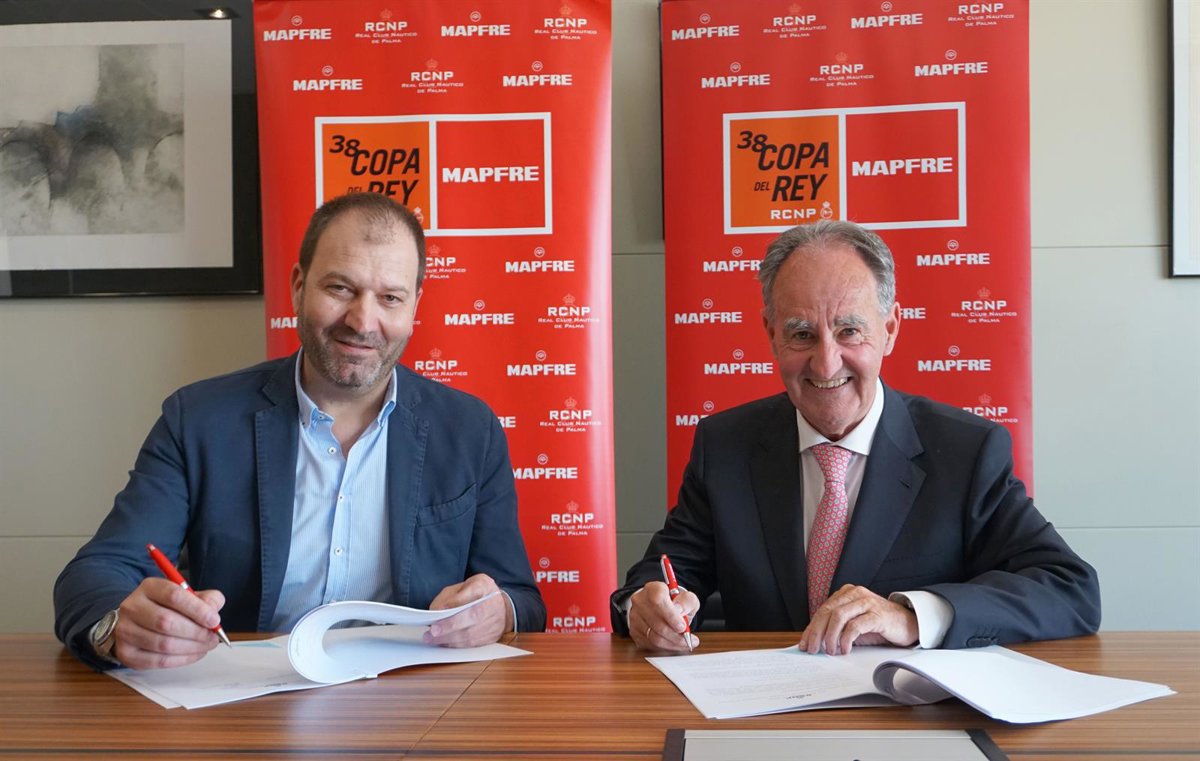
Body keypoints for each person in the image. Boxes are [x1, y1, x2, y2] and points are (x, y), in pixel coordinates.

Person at [55, 192, 545, 670]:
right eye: (340, 289)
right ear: (297, 286)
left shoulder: (469, 430)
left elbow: (521, 599)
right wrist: (117, 628)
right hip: (241, 698)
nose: (363, 321)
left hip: (415, 700)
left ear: (414, 305)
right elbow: (98, 573)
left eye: (390, 298)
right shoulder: (199, 419)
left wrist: (499, 612)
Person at [612, 220, 1100, 655]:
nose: (826, 364)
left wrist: (912, 616)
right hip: (760, 714)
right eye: (802, 334)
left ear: (890, 329)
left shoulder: (966, 452)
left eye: (849, 331)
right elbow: (665, 573)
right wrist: (648, 605)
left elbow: (1069, 589)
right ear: (771, 334)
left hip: (904, 715)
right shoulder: (725, 446)